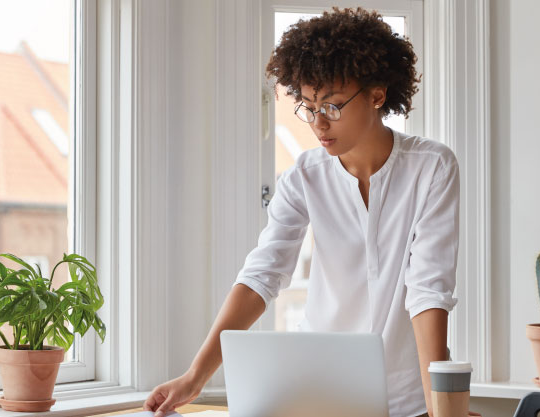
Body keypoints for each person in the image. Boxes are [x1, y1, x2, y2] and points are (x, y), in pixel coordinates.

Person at [143, 7, 481, 417]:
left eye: (333, 107)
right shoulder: (304, 176)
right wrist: (193, 377)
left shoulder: (432, 167)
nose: (319, 123)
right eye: (308, 106)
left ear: (377, 95)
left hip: (409, 401)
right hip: (320, 397)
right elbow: (260, 277)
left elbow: (429, 292)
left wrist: (439, 410)